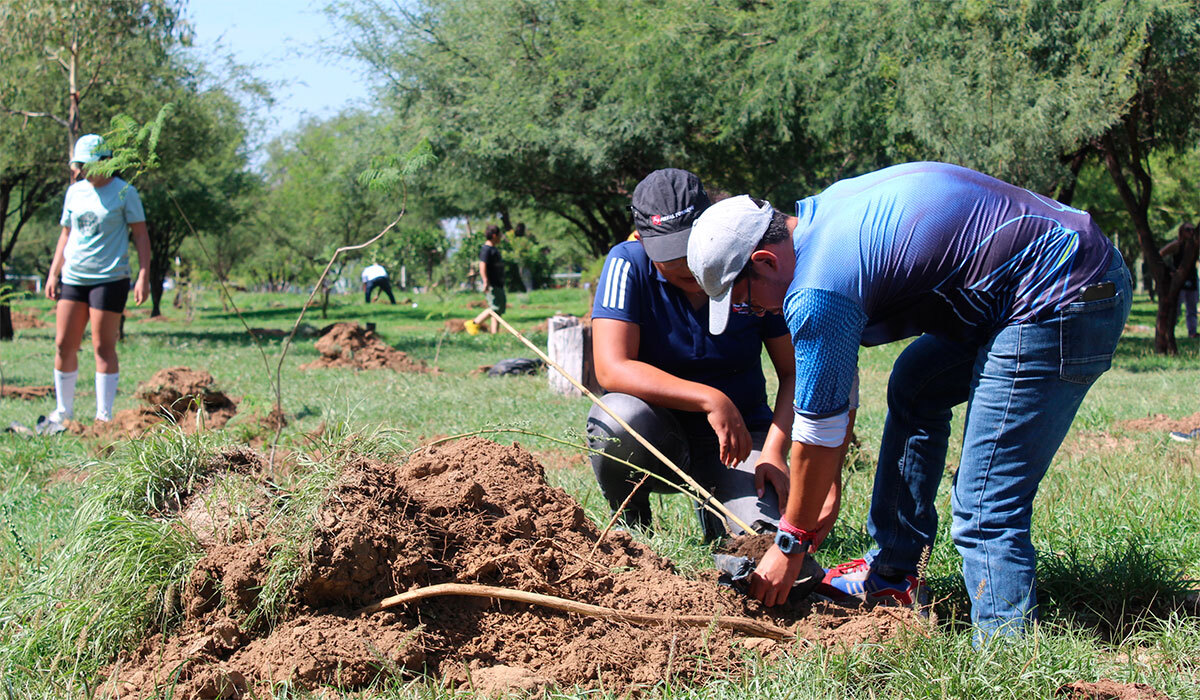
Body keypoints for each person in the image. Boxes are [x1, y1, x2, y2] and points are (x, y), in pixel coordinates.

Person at [687, 162, 1130, 641]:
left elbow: (815, 433)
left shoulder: (817, 286)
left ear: (765, 262)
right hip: (1042, 281)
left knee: (985, 504)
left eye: (745, 299)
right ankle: (893, 576)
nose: (753, 312)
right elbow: (832, 382)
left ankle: (1006, 654)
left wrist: (790, 544)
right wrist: (824, 482)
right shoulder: (823, 219)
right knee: (916, 383)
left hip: (1062, 295)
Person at [585, 168, 798, 542]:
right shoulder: (627, 263)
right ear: (641, 238)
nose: (683, 262)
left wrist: (775, 452)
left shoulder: (746, 264)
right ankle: (633, 526)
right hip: (662, 440)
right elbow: (611, 368)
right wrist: (709, 399)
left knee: (761, 538)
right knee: (616, 417)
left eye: (690, 245)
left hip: (742, 440)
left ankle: (719, 509)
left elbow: (794, 371)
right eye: (667, 252)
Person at [40, 134, 151, 433]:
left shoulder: (125, 192)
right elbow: (66, 234)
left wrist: (143, 275)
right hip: (74, 277)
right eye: (80, 165)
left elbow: (140, 235)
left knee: (103, 346)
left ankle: (103, 416)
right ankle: (64, 411)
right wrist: (54, 273)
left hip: (110, 279)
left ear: (107, 163)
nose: (83, 170)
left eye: (88, 164)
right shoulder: (75, 192)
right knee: (64, 344)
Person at [1159, 223, 1198, 339]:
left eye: (1193, 230)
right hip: (1178, 281)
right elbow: (1159, 254)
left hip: (1192, 280)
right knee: (1175, 309)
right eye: (1188, 230)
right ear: (1182, 231)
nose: (1191, 232)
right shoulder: (1176, 245)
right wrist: (1168, 271)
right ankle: (1169, 333)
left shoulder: (1195, 246)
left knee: (1192, 309)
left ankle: (1192, 332)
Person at [466, 225, 505, 334]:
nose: (501, 237)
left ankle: (494, 334)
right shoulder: (486, 249)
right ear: (494, 235)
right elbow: (482, 265)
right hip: (492, 283)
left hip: (498, 283)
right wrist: (485, 281)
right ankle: (474, 323)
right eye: (499, 235)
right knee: (495, 307)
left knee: (498, 310)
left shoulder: (493, 249)